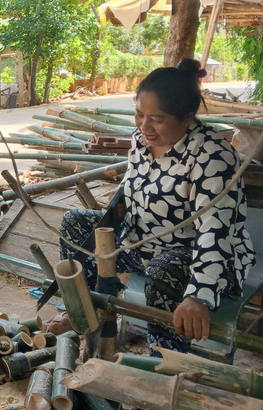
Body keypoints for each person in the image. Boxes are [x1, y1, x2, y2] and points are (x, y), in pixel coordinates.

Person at [54, 59, 256, 355]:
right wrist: (119, 215)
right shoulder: (140, 140)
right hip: (142, 249)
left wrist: (198, 296)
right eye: (139, 115)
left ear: (187, 118)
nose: (144, 127)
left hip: (205, 263)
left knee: (165, 268)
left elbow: (215, 230)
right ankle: (83, 314)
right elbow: (132, 192)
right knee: (75, 223)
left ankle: (162, 362)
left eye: (157, 119)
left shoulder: (212, 156)